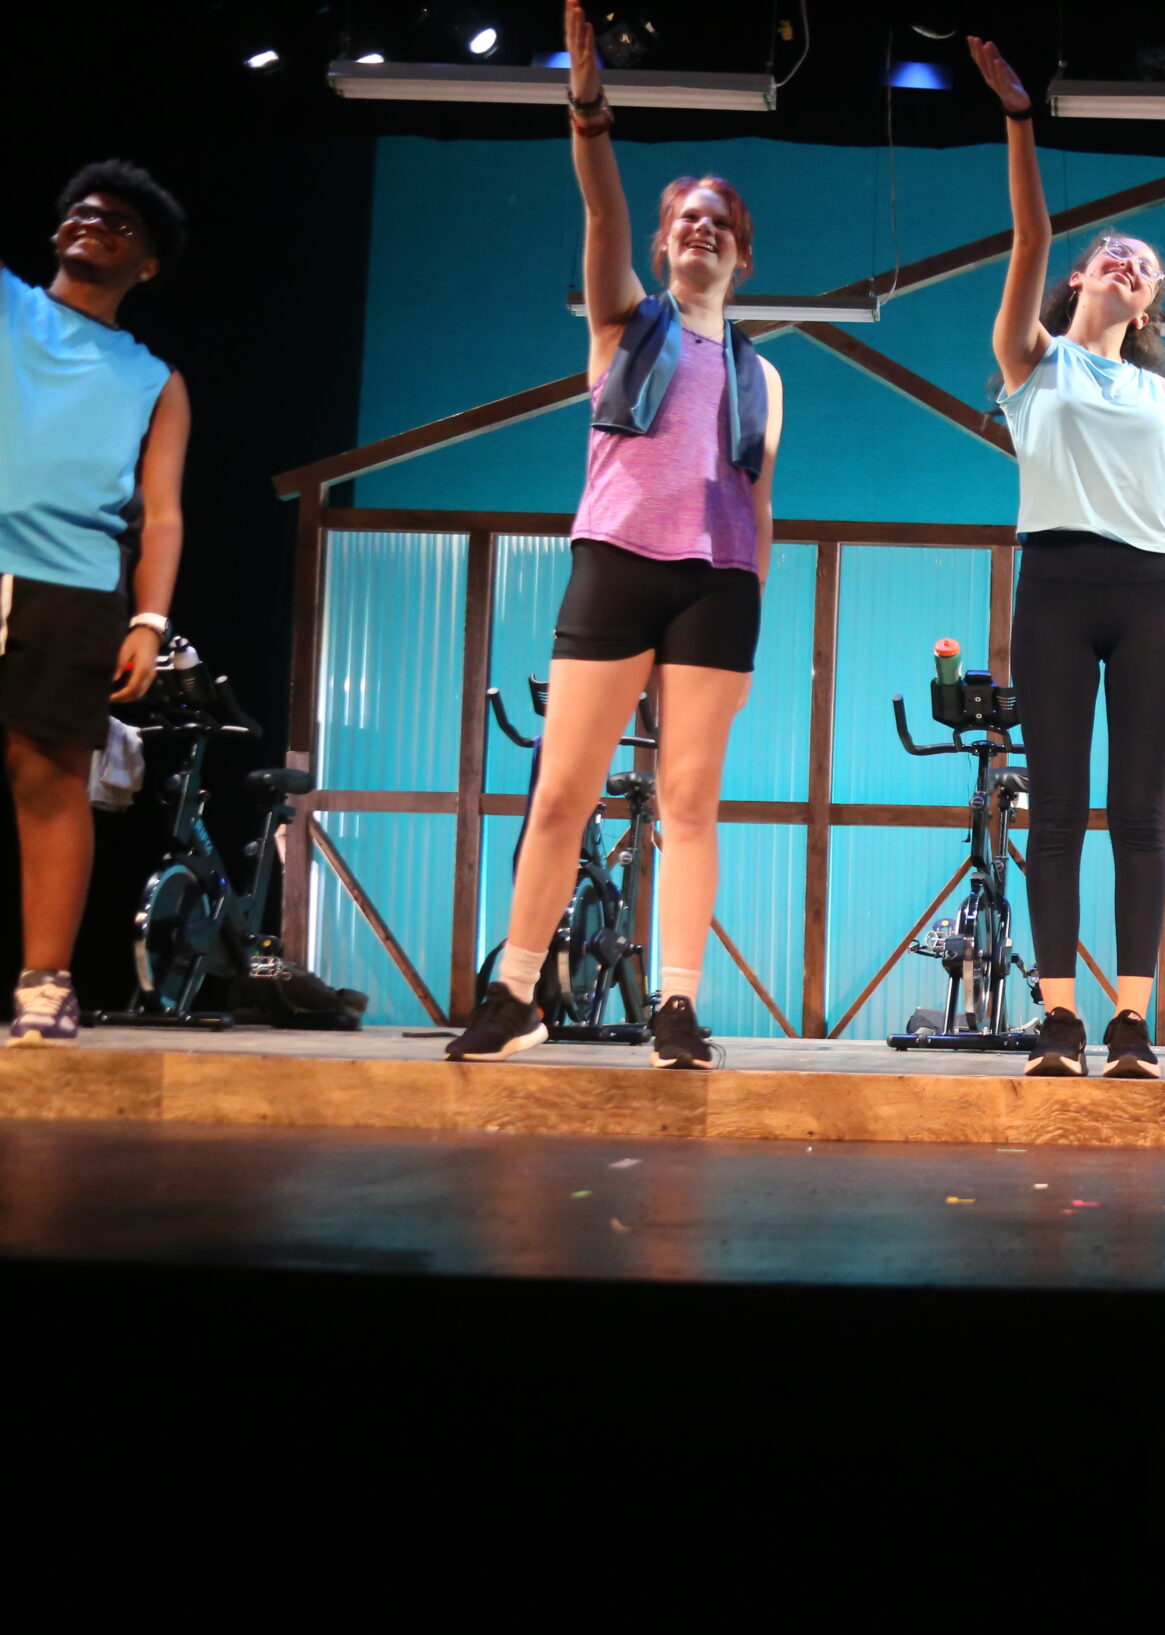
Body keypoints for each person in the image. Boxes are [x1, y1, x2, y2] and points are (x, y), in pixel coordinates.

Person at [445, 0, 782, 1068]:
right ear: (662, 243)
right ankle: (514, 989)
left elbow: (760, 505)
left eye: (718, 222)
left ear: (740, 256)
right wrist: (590, 111)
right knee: (563, 792)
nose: (699, 229)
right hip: (617, 565)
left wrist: (755, 608)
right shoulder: (621, 325)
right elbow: (600, 217)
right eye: (685, 216)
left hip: (717, 588)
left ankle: (675, 1004)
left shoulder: (761, 374)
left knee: (689, 800)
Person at [969, 35, 1165, 1080]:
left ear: (1147, 305)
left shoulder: (1163, 394)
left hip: (1152, 589)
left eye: (1143, 269)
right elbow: (1028, 230)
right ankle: (1058, 1018)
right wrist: (1020, 122)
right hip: (1053, 584)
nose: (1127, 262)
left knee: (1138, 811)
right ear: (1079, 277)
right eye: (1113, 253)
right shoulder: (1032, 360)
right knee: (1055, 806)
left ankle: (1131, 1024)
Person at [1, 161, 190, 1045]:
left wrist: (148, 622)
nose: (94, 221)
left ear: (146, 266)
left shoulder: (152, 377)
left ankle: (46, 985)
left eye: (118, 223)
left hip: (73, 586)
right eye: (82, 210)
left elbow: (162, 513)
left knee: (49, 780)